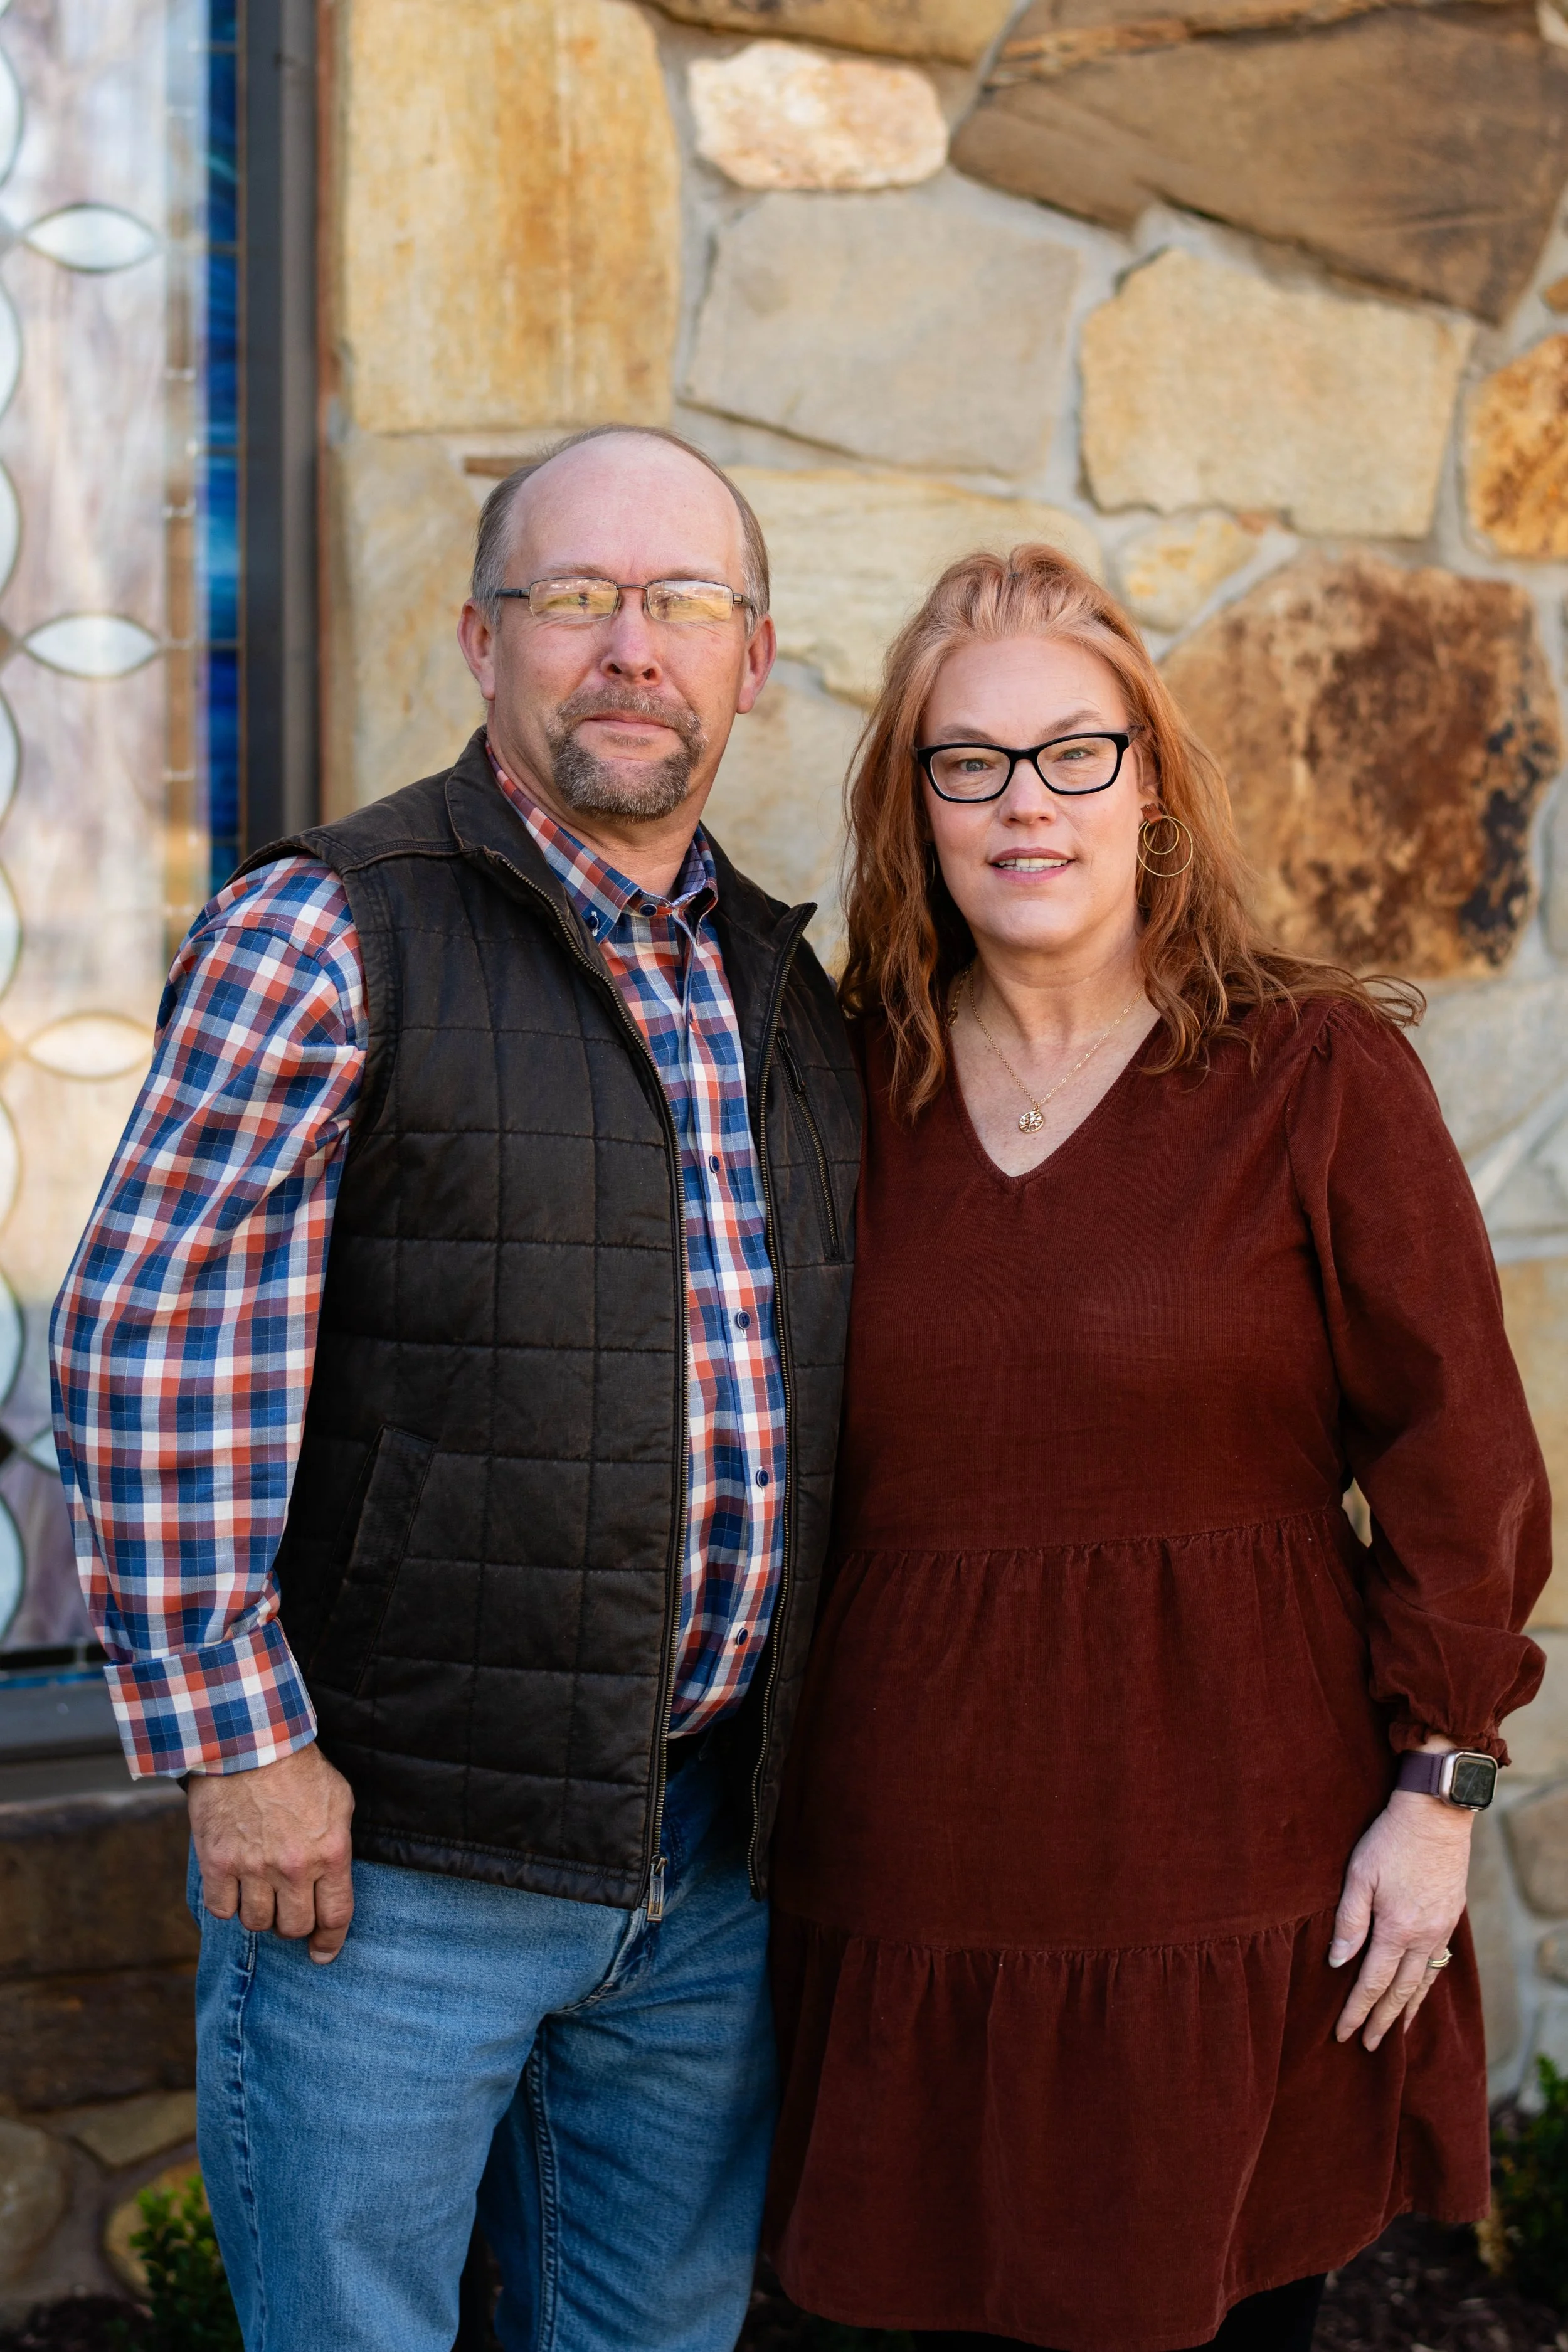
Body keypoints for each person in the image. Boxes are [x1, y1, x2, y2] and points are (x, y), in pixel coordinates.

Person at [50, 424, 861, 2352]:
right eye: (571, 596)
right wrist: (238, 1744)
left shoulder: (785, 986)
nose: (627, 647)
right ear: (477, 636)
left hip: (704, 1865)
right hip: (384, 1874)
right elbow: (143, 1338)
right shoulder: (329, 930)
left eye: (681, 601)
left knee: (648, 2335)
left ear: (754, 656)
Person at [763, 545, 1550, 2352]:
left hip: (1235, 1882)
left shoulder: (1312, 1075)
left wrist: (1441, 1799)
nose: (1022, 804)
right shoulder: (826, 1084)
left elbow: (1463, 1465)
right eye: (967, 762)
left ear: (1150, 780)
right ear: (912, 804)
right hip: (902, 1880)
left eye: (1072, 752)